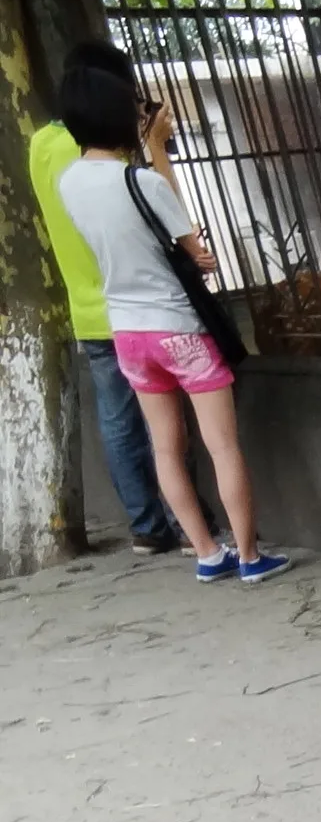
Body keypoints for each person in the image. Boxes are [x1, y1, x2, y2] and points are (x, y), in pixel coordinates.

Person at [53, 64, 286, 584]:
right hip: (177, 326)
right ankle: (250, 556)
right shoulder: (140, 180)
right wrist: (157, 152)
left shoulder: (69, 182)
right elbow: (192, 248)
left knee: (165, 446)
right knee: (221, 444)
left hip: (127, 331)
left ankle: (207, 553)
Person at [27, 41, 182, 554]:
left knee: (118, 423)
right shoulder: (94, 152)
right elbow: (154, 209)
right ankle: (189, 519)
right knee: (167, 423)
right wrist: (152, 144)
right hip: (135, 299)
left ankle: (147, 527)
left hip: (87, 306)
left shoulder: (41, 145)